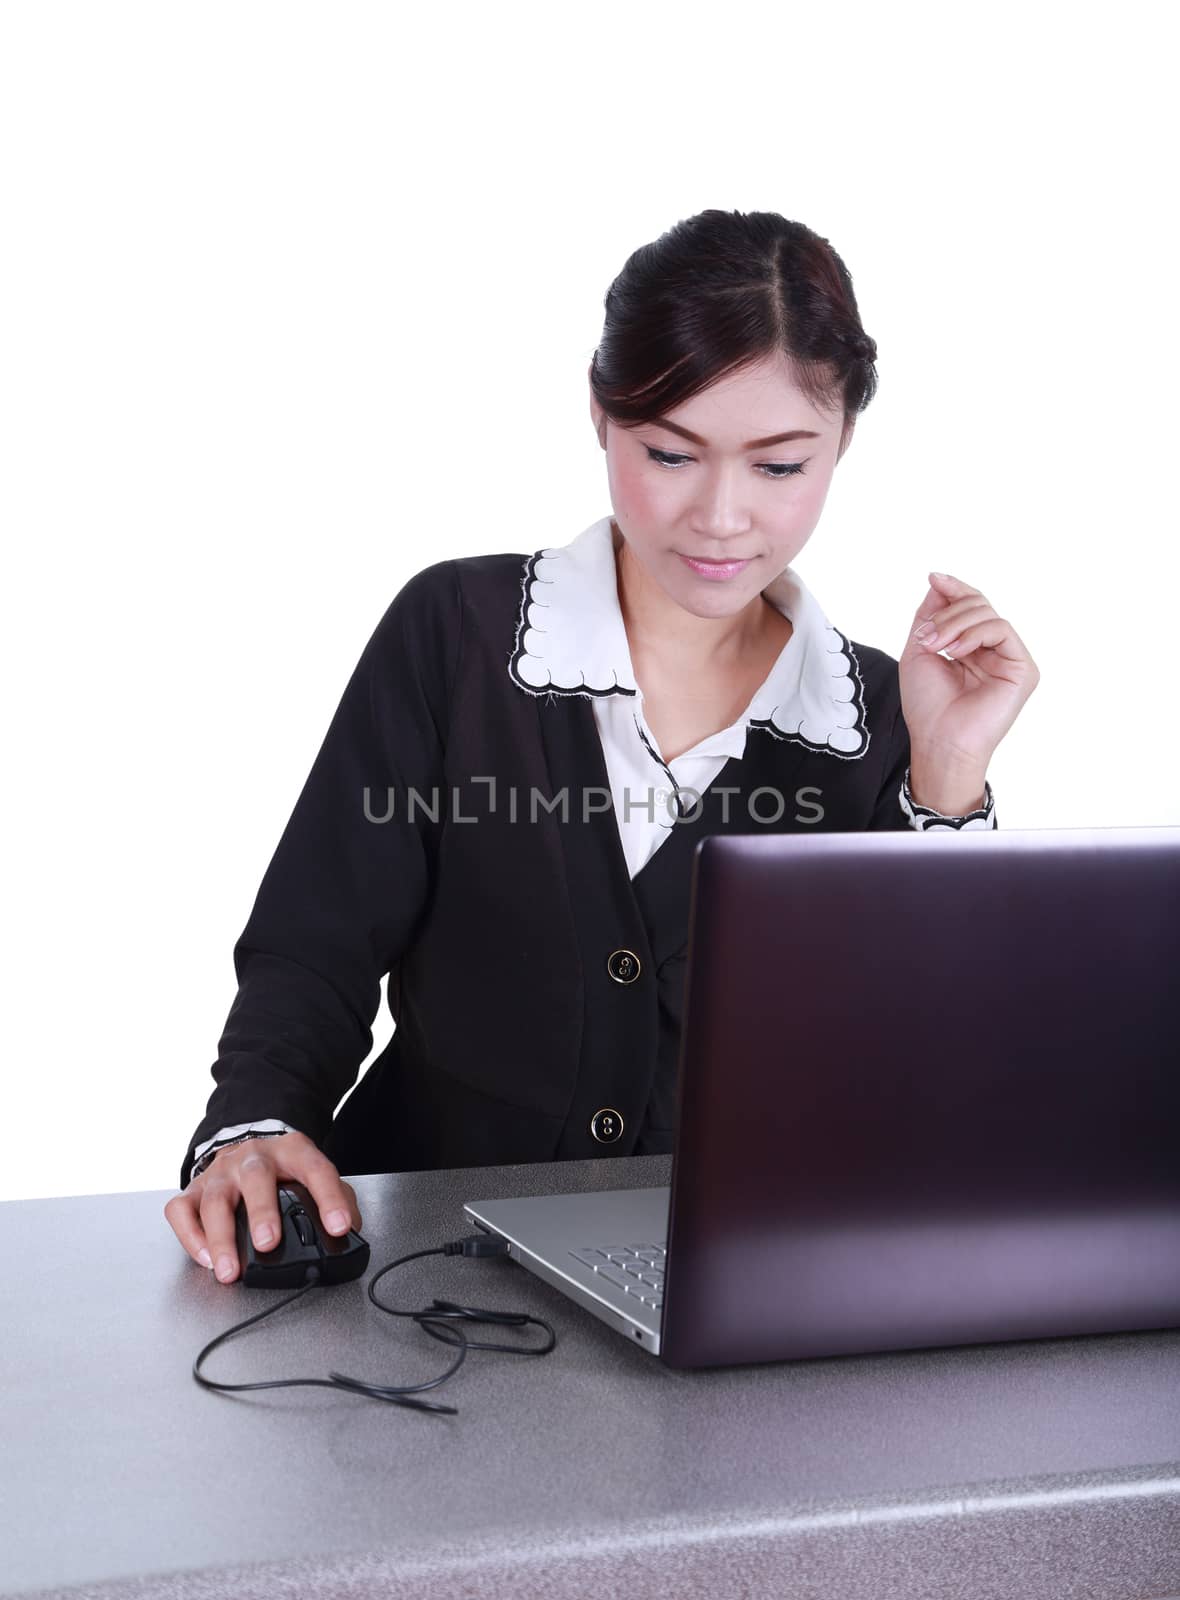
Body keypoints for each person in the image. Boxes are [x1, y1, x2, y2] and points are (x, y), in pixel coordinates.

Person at [165, 208, 1039, 1285]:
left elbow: (929, 1079)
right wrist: (251, 1124)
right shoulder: (459, 633)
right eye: (670, 453)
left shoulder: (871, 714)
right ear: (599, 414)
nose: (720, 516)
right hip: (408, 1273)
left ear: (843, 440)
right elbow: (316, 944)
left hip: (711, 1290)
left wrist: (945, 774)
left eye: (778, 466)